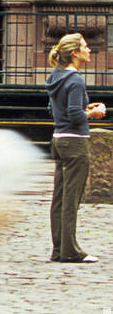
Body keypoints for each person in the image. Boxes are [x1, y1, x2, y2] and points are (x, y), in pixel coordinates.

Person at [46, 32, 106, 264]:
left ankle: (58, 248)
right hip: (75, 142)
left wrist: (84, 106)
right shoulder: (76, 80)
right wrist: (93, 113)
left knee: (59, 198)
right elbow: (74, 115)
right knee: (72, 199)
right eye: (85, 46)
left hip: (58, 139)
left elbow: (56, 111)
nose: (89, 49)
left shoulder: (56, 77)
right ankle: (70, 251)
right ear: (75, 53)